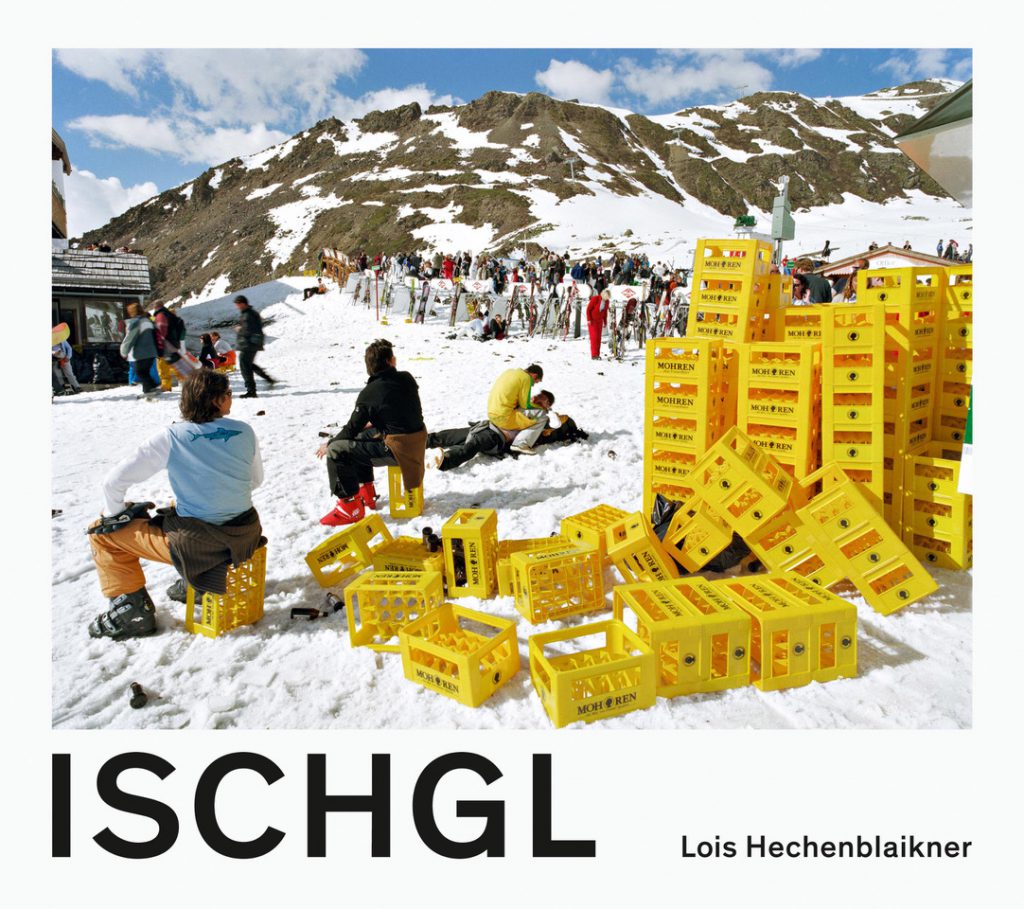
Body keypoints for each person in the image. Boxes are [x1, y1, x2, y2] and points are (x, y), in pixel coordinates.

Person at [84, 370, 264, 639]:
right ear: (214, 400)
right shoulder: (244, 431)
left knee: (102, 535)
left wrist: (115, 516)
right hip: (245, 534)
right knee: (176, 508)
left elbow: (113, 483)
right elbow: (255, 481)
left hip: (200, 545)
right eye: (227, 394)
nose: (231, 398)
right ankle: (195, 583)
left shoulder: (172, 437)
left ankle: (132, 612)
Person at [317, 339, 427, 526]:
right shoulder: (406, 378)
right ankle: (366, 493)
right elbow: (397, 408)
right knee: (360, 437)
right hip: (417, 440)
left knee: (338, 450)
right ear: (389, 362)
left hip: (399, 450)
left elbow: (351, 428)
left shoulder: (370, 393)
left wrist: (329, 444)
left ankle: (349, 507)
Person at [430, 389, 578, 471]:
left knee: (472, 445)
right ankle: (417, 442)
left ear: (547, 405)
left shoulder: (542, 418)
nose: (537, 398)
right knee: (449, 435)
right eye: (538, 395)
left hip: (496, 437)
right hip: (484, 427)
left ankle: (446, 461)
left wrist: (549, 411)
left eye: (543, 399)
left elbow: (556, 424)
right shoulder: (522, 404)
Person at [487, 364, 548, 455]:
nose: (533, 385)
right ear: (534, 375)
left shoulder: (509, 372)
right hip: (503, 418)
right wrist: (541, 407)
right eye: (535, 382)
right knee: (542, 415)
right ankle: (521, 444)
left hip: (491, 414)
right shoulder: (526, 378)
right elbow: (525, 404)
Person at [234, 294, 277, 398]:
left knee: (245, 366)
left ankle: (251, 391)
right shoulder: (250, 313)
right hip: (252, 344)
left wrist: (239, 329)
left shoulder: (248, 315)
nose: (236, 307)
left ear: (243, 304)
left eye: (237, 304)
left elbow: (249, 330)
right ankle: (268, 379)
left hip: (248, 344)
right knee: (249, 365)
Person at [151, 301, 197, 391]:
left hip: (165, 347)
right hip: (175, 346)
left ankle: (168, 386)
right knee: (178, 366)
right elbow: (182, 334)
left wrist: (159, 345)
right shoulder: (175, 319)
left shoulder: (161, 316)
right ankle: (188, 383)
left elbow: (161, 332)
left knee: (165, 368)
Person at [120, 302, 161, 397]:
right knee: (144, 371)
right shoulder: (148, 320)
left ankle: (149, 390)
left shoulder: (136, 323)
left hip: (142, 352)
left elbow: (130, 338)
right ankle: (152, 387)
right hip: (152, 351)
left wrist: (124, 351)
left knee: (140, 371)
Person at [586, 290, 608, 359]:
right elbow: (588, 309)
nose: (607, 299)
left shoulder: (607, 301)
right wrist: (589, 319)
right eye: (606, 297)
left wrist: (605, 322)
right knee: (594, 338)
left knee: (598, 338)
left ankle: (597, 354)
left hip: (600, 321)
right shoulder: (595, 299)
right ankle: (594, 355)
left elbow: (605, 312)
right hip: (593, 321)